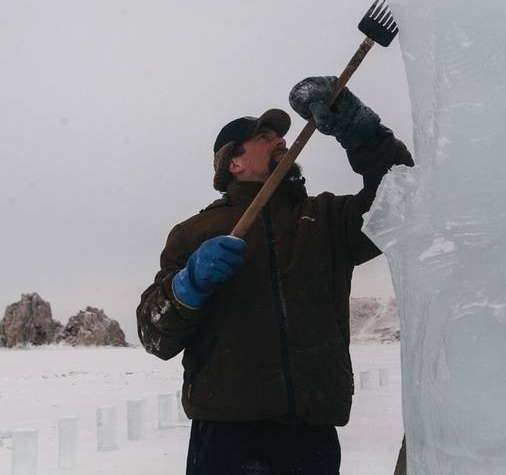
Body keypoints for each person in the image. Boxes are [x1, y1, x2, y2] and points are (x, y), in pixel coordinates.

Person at [136, 76, 414, 475]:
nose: (281, 141)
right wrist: (188, 285)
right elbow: (154, 335)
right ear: (233, 162)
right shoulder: (194, 234)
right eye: (265, 137)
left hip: (310, 436)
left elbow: (404, 195)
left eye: (280, 135)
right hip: (227, 436)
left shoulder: (326, 221)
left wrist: (360, 131)